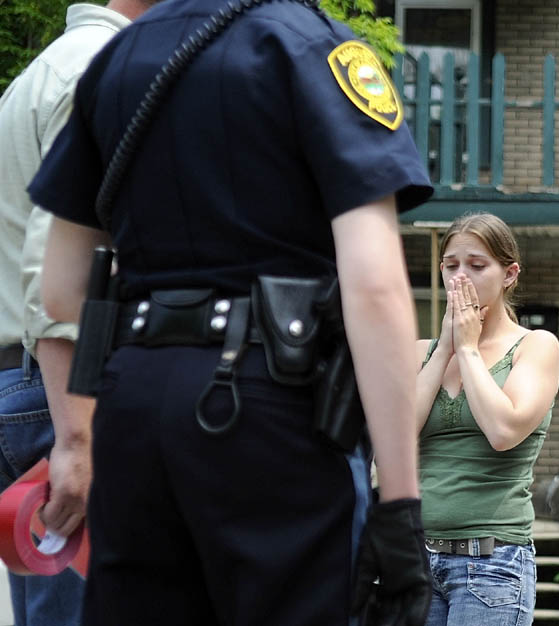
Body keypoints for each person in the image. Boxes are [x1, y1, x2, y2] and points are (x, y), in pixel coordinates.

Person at [27, 0, 434, 624]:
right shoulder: (312, 49)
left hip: (133, 406)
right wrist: (401, 506)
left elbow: (58, 289)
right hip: (270, 406)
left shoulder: (115, 60)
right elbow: (375, 288)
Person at [0, 1, 156, 624]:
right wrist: (78, 437)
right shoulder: (102, 72)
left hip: (31, 386)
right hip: (67, 396)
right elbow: (60, 257)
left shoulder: (44, 70)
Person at [415, 213, 559, 626]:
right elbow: (395, 438)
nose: (461, 277)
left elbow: (503, 431)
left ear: (509, 274)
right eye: (451, 265)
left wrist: (468, 348)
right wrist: (445, 346)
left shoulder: (535, 346)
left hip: (492, 563)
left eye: (477, 266)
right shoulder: (421, 352)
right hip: (417, 559)